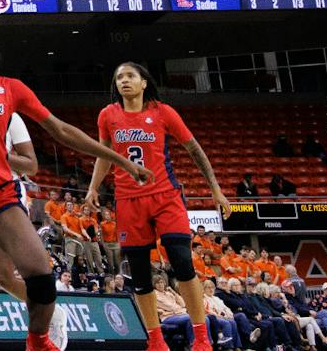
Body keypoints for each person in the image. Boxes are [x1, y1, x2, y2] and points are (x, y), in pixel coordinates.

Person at [0, 36, 150, 351]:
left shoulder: (11, 89)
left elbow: (61, 130)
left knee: (40, 275)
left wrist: (122, 160)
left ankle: (38, 340)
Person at [84, 62, 232, 351]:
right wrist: (92, 187)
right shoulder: (107, 115)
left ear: (143, 83)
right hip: (128, 200)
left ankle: (201, 337)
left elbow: (194, 150)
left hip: (166, 196)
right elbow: (104, 154)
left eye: (130, 76)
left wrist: (216, 189)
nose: (124, 81)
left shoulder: (163, 112)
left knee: (182, 261)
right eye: (119, 78)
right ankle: (155, 341)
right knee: (139, 275)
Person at [0, 114, 69, 351]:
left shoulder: (9, 115)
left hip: (6, 192)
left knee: (4, 275)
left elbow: (31, 165)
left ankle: (51, 313)